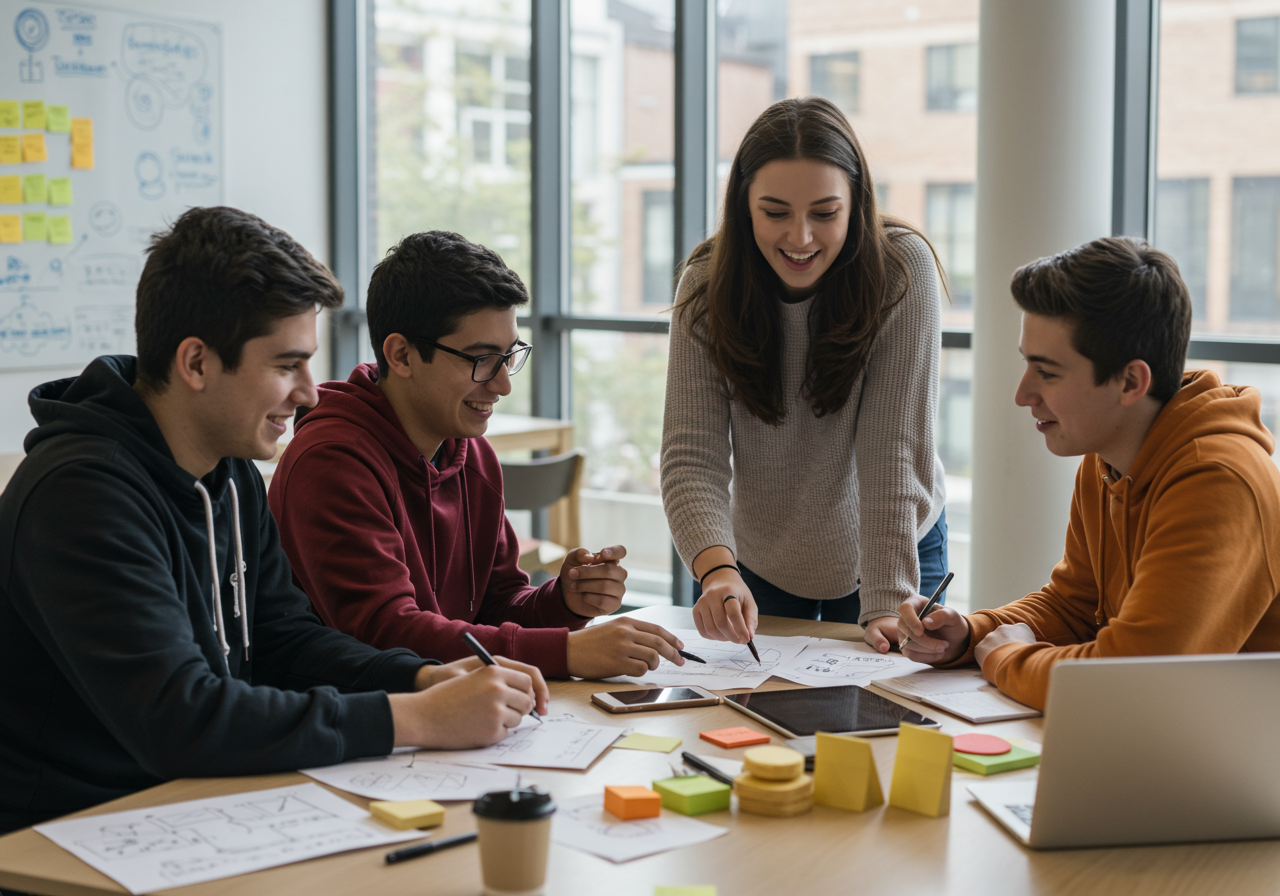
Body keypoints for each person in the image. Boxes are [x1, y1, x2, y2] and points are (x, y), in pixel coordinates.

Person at [0, 207, 548, 835]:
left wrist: (422, 676)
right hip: (67, 835)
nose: (310, 393)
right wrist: (415, 717)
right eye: (287, 366)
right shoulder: (81, 495)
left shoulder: (227, 471)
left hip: (194, 804)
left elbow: (287, 640)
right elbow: (181, 720)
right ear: (197, 363)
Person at [268, 230, 686, 680]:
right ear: (402, 355)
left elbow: (496, 604)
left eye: (509, 356)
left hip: (455, 710)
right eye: (481, 359)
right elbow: (386, 633)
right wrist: (564, 652)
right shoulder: (331, 463)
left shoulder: (470, 454)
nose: (503, 383)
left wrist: (562, 600)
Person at [897, 236, 1280, 710]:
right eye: (1027, 365)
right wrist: (972, 633)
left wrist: (1004, 658)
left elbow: (1130, 679)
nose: (1023, 394)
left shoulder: (1218, 481)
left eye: (1048, 372)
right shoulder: (1108, 456)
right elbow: (1074, 606)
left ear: (1130, 382)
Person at [661, 96, 948, 653]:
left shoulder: (900, 271)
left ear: (856, 203)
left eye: (824, 213)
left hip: (892, 541)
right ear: (743, 206)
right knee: (756, 717)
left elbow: (895, 450)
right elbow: (691, 454)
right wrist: (716, 570)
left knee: (891, 716)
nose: (800, 238)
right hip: (759, 553)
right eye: (775, 213)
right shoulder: (705, 285)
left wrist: (888, 601)